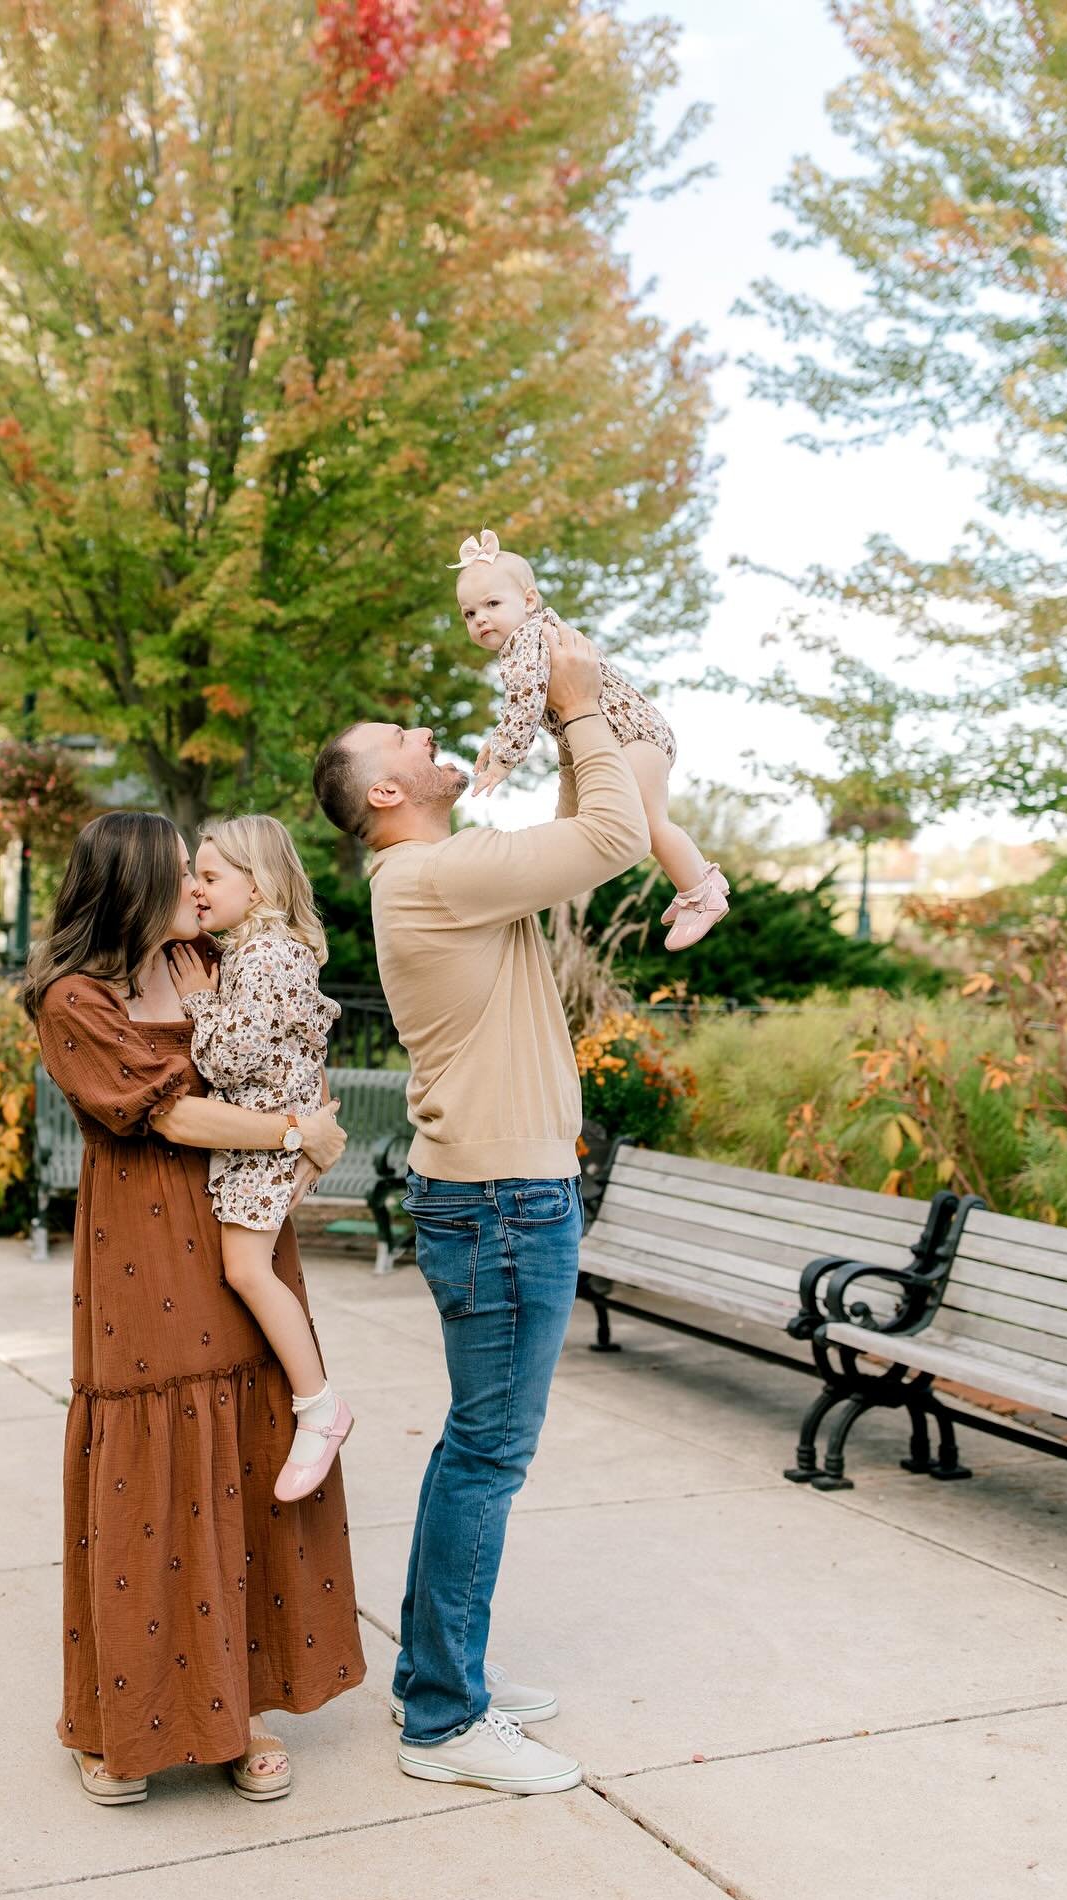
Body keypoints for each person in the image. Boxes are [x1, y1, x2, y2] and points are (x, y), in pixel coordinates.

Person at [312, 612, 650, 1795]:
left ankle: (437, 1675)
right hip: (505, 1203)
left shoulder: (441, 877)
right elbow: (614, 835)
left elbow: (570, 832)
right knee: (488, 1455)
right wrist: (577, 706)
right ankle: (446, 1718)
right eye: (404, 735)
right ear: (387, 790)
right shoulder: (433, 876)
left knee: (474, 1447)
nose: (426, 731)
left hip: (497, 1196)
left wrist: (570, 727)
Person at [24, 811, 366, 1807]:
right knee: (150, 1471)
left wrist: (303, 1119)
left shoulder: (206, 958)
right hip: (142, 1238)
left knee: (244, 1458)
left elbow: (287, 1039)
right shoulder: (73, 998)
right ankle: (115, 1720)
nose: (197, 885)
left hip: (238, 1221)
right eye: (181, 871)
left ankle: (238, 1707)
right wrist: (297, 1129)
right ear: (131, 885)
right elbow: (171, 1113)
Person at [167, 815, 354, 1503]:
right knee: (246, 1268)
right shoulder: (264, 951)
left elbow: (228, 1058)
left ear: (258, 884)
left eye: (211, 876)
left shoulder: (263, 957)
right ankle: (316, 1403)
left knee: (246, 1270)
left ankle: (319, 1406)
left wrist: (197, 1001)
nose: (198, 888)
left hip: (265, 1141)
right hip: (269, 1134)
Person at [451, 526, 729, 951]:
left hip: (629, 734)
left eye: (492, 604)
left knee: (646, 820)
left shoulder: (527, 640)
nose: (481, 619)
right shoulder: (533, 637)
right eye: (469, 614)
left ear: (528, 600)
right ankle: (702, 878)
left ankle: (700, 894)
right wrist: (498, 737)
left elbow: (525, 706)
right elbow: (524, 704)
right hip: (632, 734)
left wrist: (503, 760)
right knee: (625, 819)